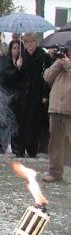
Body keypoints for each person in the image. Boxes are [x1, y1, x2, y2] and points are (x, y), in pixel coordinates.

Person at [14, 33, 51, 157]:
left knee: (34, 121)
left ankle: (32, 148)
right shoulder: (21, 56)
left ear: (36, 42)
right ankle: (20, 147)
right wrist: (18, 67)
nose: (29, 45)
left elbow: (47, 77)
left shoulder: (43, 56)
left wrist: (45, 94)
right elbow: (16, 78)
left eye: (32, 42)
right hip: (23, 95)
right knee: (22, 121)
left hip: (36, 93)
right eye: (27, 42)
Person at [42, 42, 71, 182]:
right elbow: (47, 77)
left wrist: (68, 65)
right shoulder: (60, 62)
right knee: (55, 143)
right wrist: (58, 63)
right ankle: (55, 172)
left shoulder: (67, 64)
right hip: (56, 108)